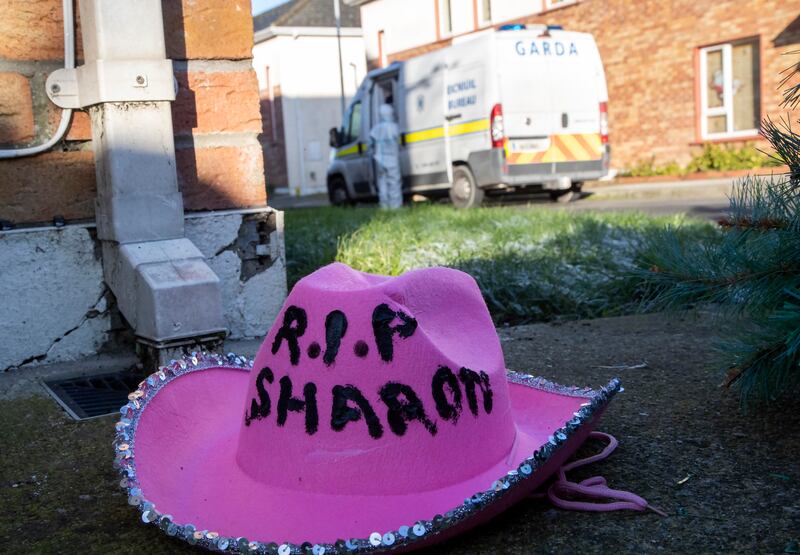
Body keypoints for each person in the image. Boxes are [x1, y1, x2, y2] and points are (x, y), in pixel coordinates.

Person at [369, 103, 403, 209]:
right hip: (392, 160)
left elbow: (370, 144)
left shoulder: (376, 128)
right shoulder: (395, 127)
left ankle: (384, 206)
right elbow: (401, 143)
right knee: (394, 184)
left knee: (382, 184)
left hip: (380, 160)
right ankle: (395, 207)